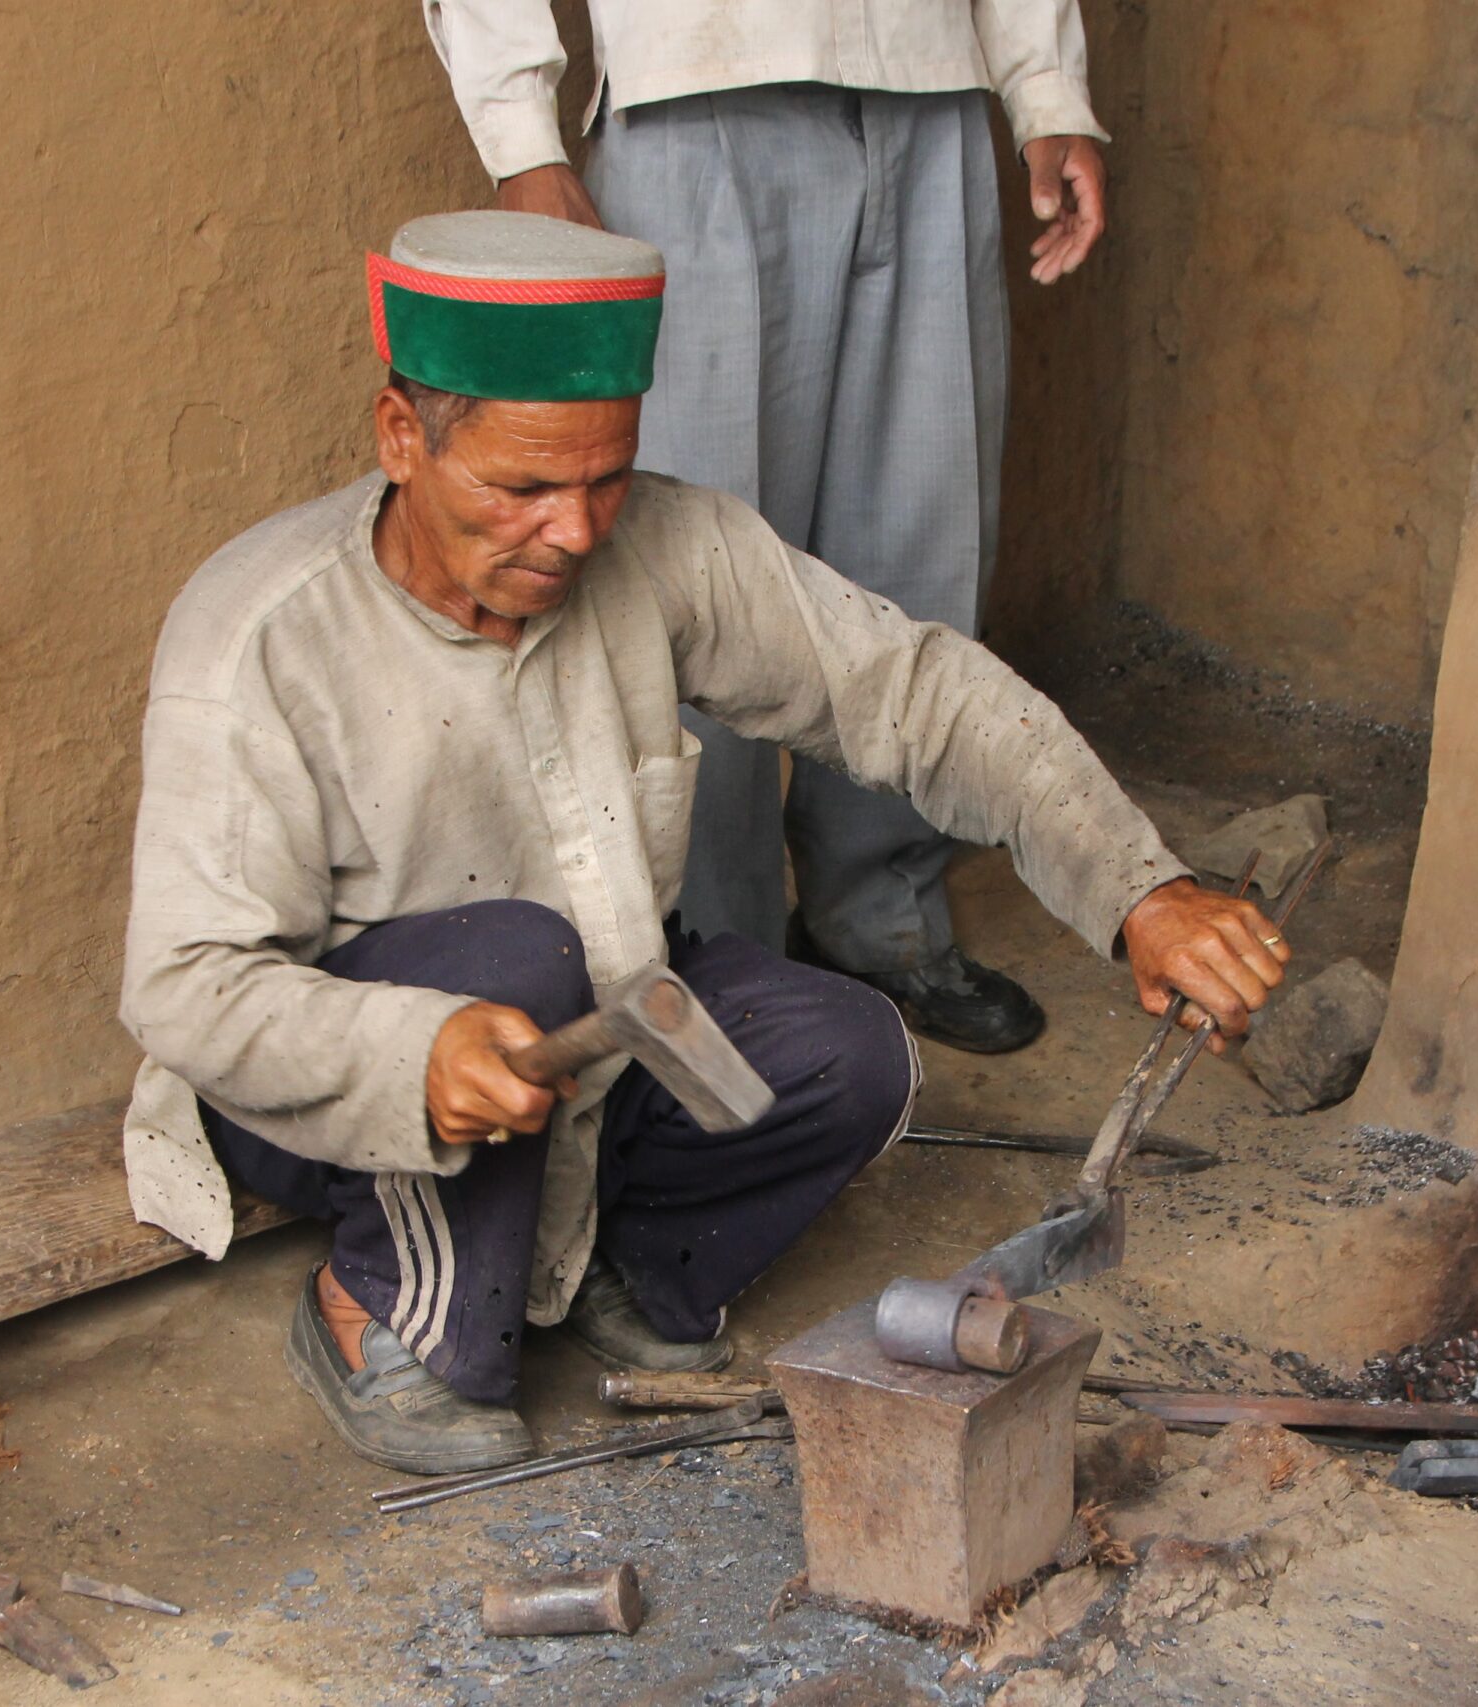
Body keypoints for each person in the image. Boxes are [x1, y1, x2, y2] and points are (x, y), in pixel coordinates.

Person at [117, 213, 1286, 1475]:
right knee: (513, 958)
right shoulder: (260, 639)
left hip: (594, 1038)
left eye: (603, 477)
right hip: (332, 1074)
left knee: (850, 1056)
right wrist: (412, 1050)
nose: (574, 531)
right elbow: (184, 986)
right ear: (402, 438)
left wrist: (1140, 887)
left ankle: (615, 1261)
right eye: (520, 489)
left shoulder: (666, 547)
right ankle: (380, 1306)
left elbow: (911, 691)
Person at [421, 0, 1111, 1054]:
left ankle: (879, 918)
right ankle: (710, 958)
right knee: (688, 577)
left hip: (929, 88)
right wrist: (523, 137)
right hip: (692, 91)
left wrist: (1045, 84)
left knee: (919, 536)